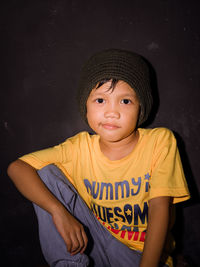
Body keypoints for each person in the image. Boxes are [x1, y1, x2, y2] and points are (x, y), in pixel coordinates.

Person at [7, 49, 190, 267]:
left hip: (141, 255)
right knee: (45, 173)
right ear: (86, 105)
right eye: (101, 100)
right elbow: (17, 167)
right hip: (97, 245)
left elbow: (160, 209)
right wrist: (58, 211)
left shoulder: (159, 142)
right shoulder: (79, 148)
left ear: (141, 107)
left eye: (125, 101)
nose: (111, 112)